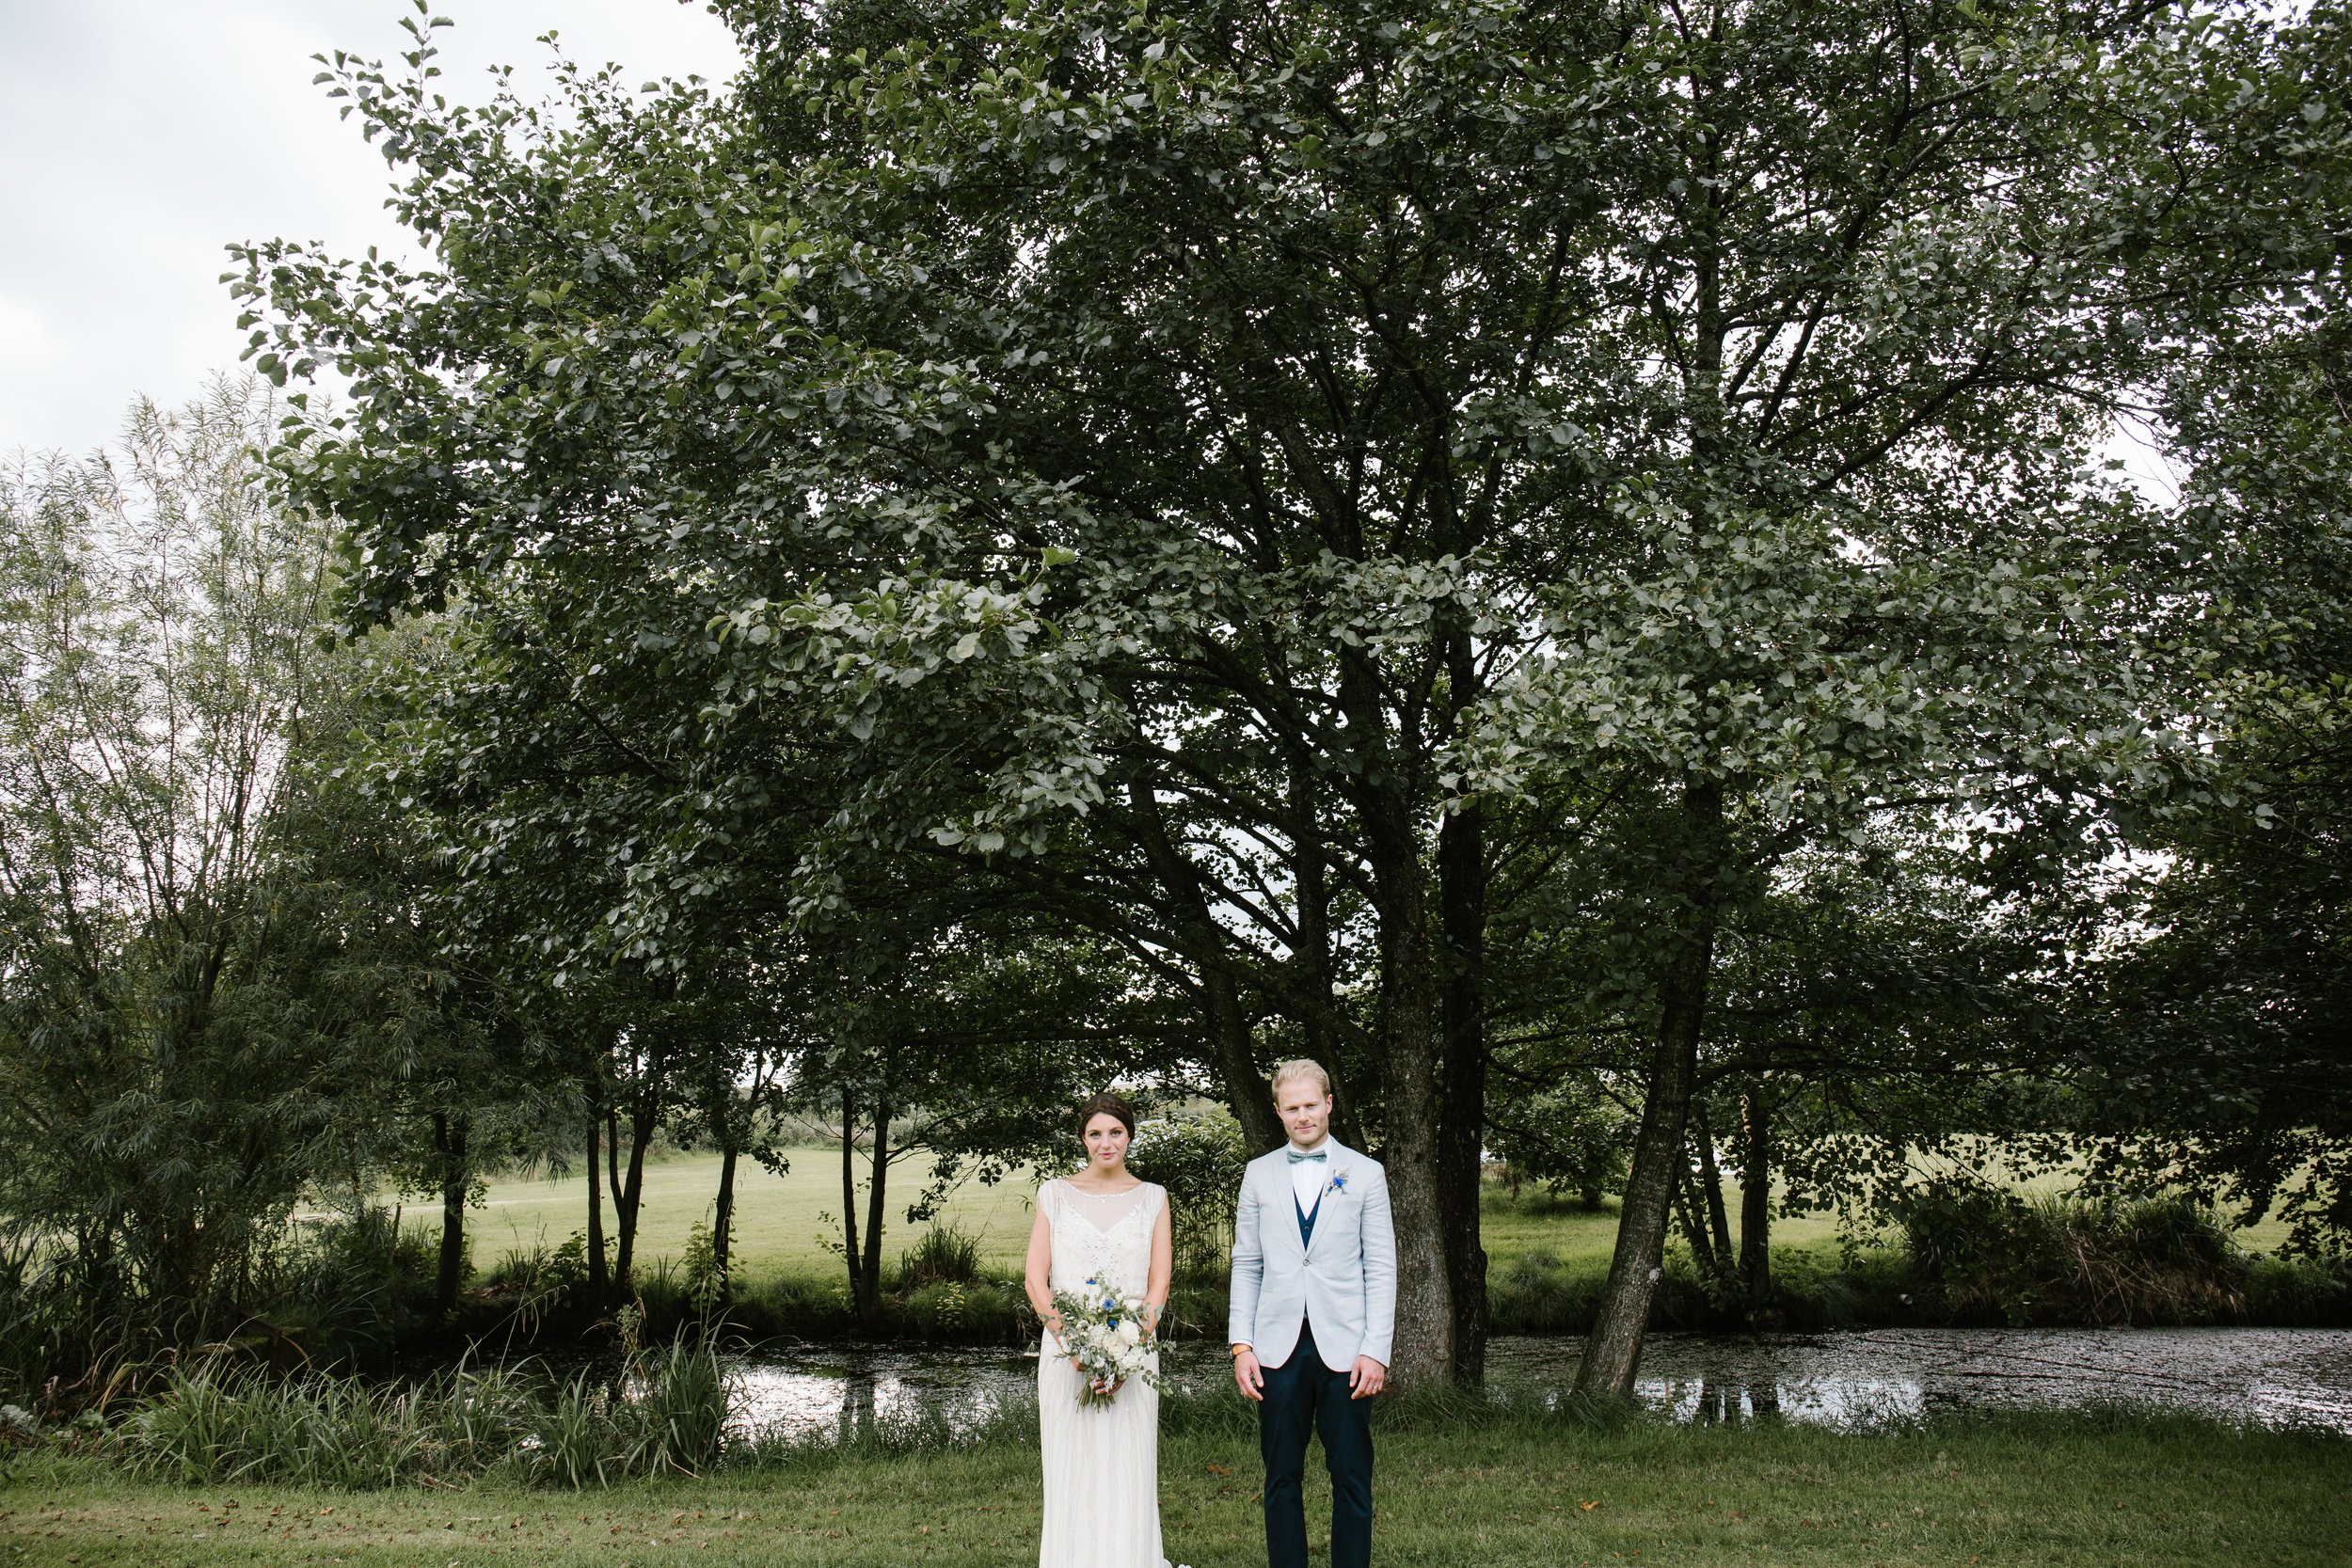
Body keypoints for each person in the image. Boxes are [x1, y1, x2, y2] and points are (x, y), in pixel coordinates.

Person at [1229, 1059, 1396, 1568]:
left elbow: (1382, 1267)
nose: (1303, 1116)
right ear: (1278, 1111)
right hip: (1276, 1347)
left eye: (1311, 1105)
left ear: (1328, 1104)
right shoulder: (1258, 1175)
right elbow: (1247, 1263)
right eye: (1292, 1107)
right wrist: (1242, 1345)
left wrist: (1375, 1350)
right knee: (1281, 1475)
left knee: (1350, 1475)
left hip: (1346, 1347)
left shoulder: (1366, 1174)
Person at [1024, 1090, 1175, 1568]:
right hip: (1065, 1350)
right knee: (1072, 1465)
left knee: (1128, 1465)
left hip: (1134, 1347)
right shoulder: (1054, 1194)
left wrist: (1128, 1351)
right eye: (1095, 1134)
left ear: (1129, 1136)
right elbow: (1035, 1278)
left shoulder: (1154, 1198)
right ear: (1083, 1139)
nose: (1106, 1143)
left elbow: (1158, 1285)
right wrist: (1073, 1345)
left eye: (1116, 1132)